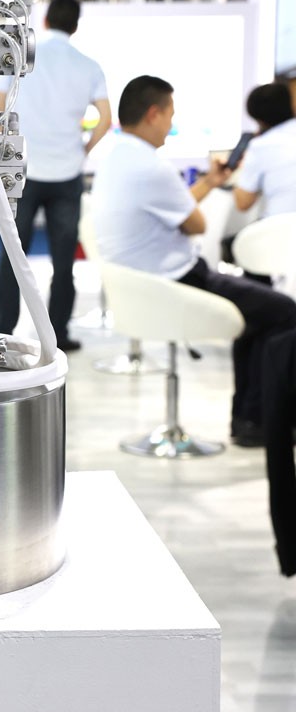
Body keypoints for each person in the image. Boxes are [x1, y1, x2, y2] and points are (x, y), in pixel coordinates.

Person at [91, 74, 296, 448]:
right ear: (153, 114)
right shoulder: (152, 167)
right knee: (284, 312)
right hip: (177, 280)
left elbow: (177, 210)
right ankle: (261, 420)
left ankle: (252, 418)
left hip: (141, 283)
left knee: (259, 313)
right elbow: (196, 224)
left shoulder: (117, 158)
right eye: (170, 114)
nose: (171, 125)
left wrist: (210, 182)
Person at [0, 0, 111, 350]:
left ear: (45, 21)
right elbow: (106, 119)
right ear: (75, 25)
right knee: (63, 259)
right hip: (67, 173)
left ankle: (5, 330)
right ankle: (58, 335)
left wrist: (6, 148)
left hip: (23, 171)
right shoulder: (89, 66)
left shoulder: (20, 55)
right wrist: (83, 149)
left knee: (14, 254)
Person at [233, 81, 296, 217]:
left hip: (281, 225)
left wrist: (237, 171)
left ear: (258, 118)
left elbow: (243, 203)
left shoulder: (260, 146)